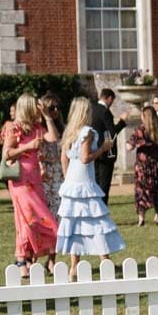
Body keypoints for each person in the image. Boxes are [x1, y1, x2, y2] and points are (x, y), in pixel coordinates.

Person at [55, 98, 125, 267]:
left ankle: (74, 265)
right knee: (96, 218)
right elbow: (85, 158)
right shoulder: (87, 132)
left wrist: (67, 177)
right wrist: (103, 149)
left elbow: (64, 157)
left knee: (74, 220)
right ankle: (104, 260)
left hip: (72, 179)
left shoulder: (69, 131)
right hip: (84, 179)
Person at [0, 94, 58, 269]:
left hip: (35, 179)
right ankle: (23, 259)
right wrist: (27, 146)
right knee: (29, 219)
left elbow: (53, 138)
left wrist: (47, 117)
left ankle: (24, 260)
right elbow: (6, 154)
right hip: (21, 181)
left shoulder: (37, 127)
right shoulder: (14, 128)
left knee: (31, 219)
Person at [128, 106, 158, 226]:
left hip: (142, 166)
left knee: (141, 191)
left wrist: (138, 144)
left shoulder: (140, 130)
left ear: (144, 117)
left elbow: (129, 147)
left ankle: (141, 218)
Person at [88, 88, 126, 199]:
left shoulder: (92, 109)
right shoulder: (105, 111)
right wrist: (122, 122)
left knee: (95, 183)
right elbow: (112, 133)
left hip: (93, 151)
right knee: (104, 185)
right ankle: (102, 207)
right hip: (106, 153)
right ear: (109, 98)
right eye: (112, 100)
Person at [35, 95, 65, 219]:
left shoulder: (62, 127)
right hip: (45, 172)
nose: (56, 110)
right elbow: (53, 137)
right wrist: (47, 117)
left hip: (59, 171)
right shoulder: (39, 128)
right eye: (52, 108)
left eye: (58, 107)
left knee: (60, 208)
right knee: (47, 209)